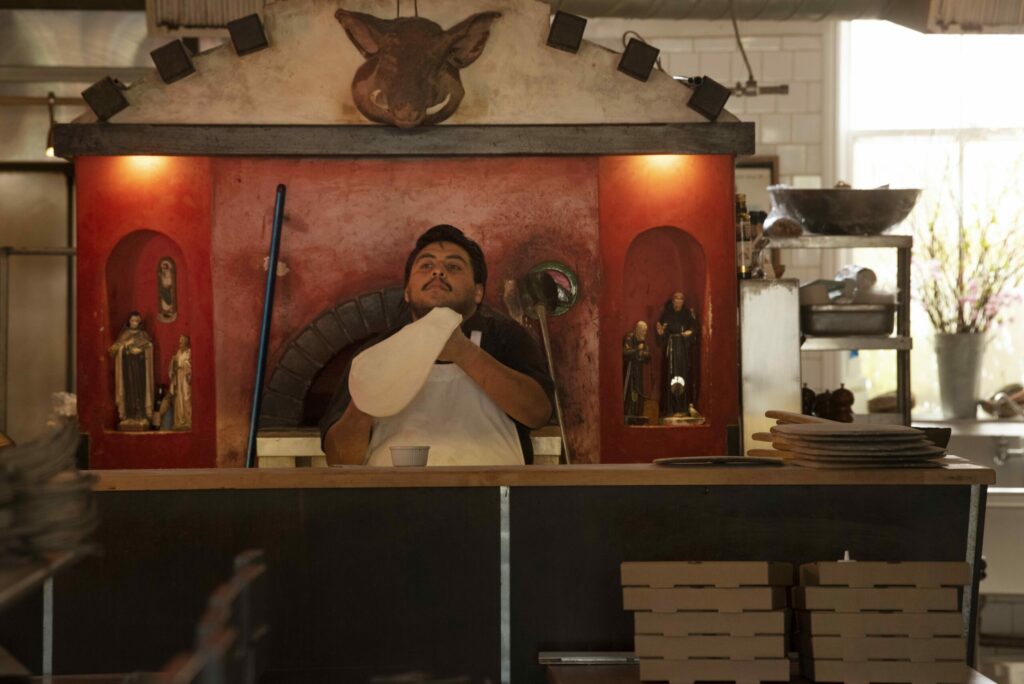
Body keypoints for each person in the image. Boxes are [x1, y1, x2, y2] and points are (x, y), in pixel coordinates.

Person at [320, 225, 554, 466]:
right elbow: (340, 459)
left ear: (478, 291)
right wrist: (367, 400)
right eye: (426, 266)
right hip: (393, 500)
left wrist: (464, 352)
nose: (438, 272)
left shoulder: (505, 338)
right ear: (407, 292)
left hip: (491, 497)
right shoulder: (376, 353)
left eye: (453, 266)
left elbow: (537, 413)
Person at [109, 311, 154, 431]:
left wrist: (142, 351)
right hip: (127, 368)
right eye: (133, 320)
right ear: (129, 321)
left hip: (140, 369)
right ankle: (129, 415)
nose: (135, 323)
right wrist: (125, 347)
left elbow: (149, 347)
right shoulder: (123, 335)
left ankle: (140, 415)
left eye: (137, 321)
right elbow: (114, 351)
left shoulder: (144, 334)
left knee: (139, 391)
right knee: (128, 390)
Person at [656, 291, 697, 417]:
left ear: (683, 302)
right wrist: (661, 332)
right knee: (671, 374)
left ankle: (683, 407)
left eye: (681, 300)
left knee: (683, 373)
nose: (678, 302)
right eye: (676, 299)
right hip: (672, 348)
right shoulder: (667, 314)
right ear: (673, 301)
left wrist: (690, 332)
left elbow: (694, 327)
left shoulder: (686, 314)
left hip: (683, 349)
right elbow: (662, 331)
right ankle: (671, 408)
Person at [622, 320, 651, 421]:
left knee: (639, 392)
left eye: (645, 331)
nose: (644, 333)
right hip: (630, 372)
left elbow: (648, 356)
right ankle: (629, 412)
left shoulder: (642, 342)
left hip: (639, 372)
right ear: (637, 329)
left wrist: (640, 353)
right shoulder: (630, 338)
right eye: (643, 330)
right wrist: (638, 351)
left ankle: (638, 413)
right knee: (631, 392)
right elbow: (626, 352)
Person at [168, 334, 192, 430]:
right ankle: (179, 421)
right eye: (180, 340)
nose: (180, 342)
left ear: (186, 341)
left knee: (186, 398)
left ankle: (188, 421)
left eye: (182, 340)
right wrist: (173, 363)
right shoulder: (178, 353)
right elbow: (173, 367)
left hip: (185, 377)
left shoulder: (189, 352)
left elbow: (189, 364)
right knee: (179, 398)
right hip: (178, 377)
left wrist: (184, 365)